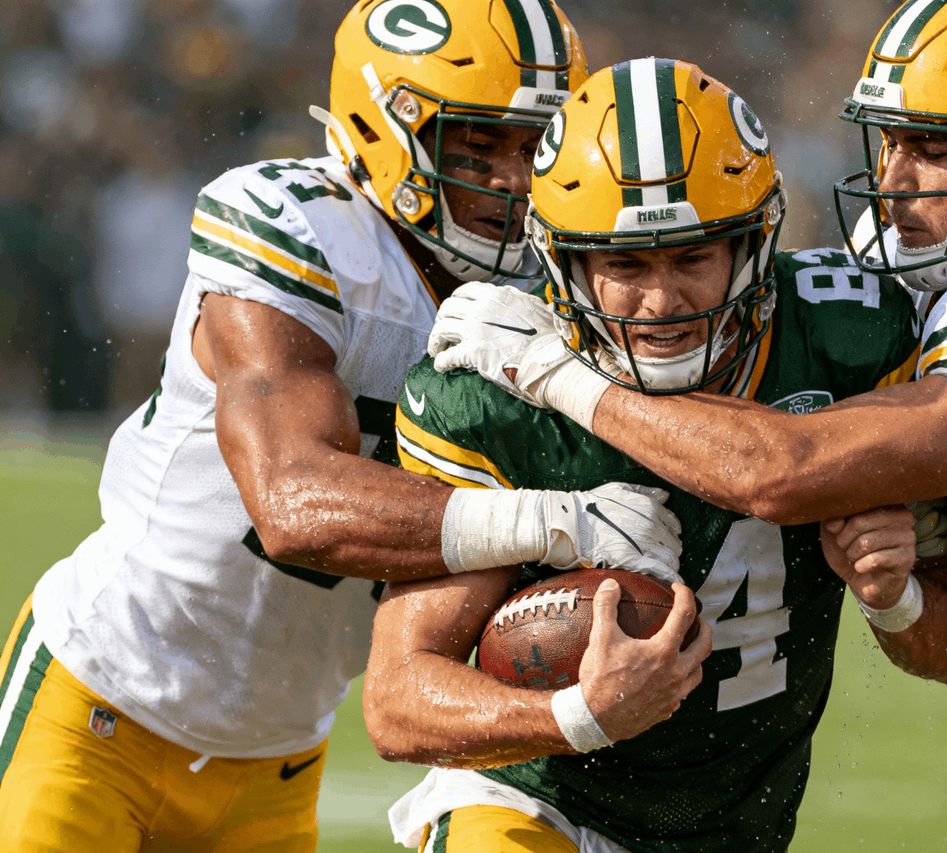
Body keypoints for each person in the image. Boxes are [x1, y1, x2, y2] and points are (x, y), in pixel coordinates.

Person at [427, 1, 947, 850]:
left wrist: (554, 370)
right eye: (893, 140)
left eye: (936, 147)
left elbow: (784, 470)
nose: (897, 175)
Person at [0, 3, 687, 850]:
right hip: (100, 705)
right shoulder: (301, 227)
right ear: (386, 123)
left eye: (535, 146)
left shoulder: (557, 292)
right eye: (481, 143)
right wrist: (552, 520)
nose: (514, 178)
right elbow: (291, 502)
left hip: (281, 762)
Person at [366, 57, 947, 853]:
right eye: (624, 265)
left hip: (735, 827)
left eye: (693, 257)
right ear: (564, 263)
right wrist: (579, 714)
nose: (660, 301)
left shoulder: (848, 343)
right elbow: (396, 697)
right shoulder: (492, 388)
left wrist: (894, 595)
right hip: (536, 799)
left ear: (754, 244)